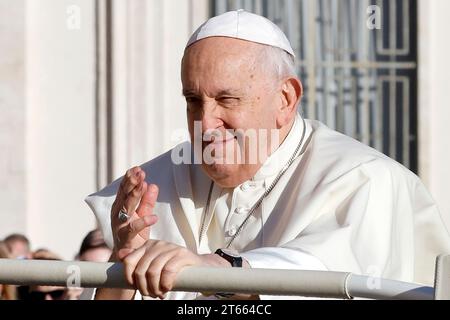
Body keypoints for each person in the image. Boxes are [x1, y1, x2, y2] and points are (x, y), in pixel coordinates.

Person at [86, 10, 450, 300]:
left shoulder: (365, 178)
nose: (206, 123)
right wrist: (122, 266)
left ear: (285, 99)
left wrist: (218, 269)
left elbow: (326, 271)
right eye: (193, 101)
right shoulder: (156, 184)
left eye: (227, 100)